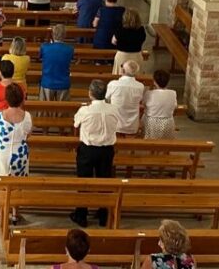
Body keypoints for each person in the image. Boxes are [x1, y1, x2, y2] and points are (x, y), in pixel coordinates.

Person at [71, 80, 121, 227]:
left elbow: (75, 124)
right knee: (104, 181)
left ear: (90, 94)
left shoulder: (85, 110)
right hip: (106, 149)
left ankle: (81, 215)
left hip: (88, 149)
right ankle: (103, 213)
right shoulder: (113, 109)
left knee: (84, 182)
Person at [0, 83, 33, 222]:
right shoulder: (27, 116)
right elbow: (28, 134)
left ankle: (0, 211)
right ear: (22, 98)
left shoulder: (0, 115)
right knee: (17, 184)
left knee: (0, 182)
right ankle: (15, 212)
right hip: (20, 155)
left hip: (1, 153)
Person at [107, 60, 146, 136]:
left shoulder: (113, 84)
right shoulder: (140, 86)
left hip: (115, 124)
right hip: (132, 125)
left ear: (123, 71)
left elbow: (106, 99)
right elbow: (140, 100)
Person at [39, 23, 74, 100]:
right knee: (62, 110)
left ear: (53, 35)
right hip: (63, 82)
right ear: (64, 35)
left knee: (45, 109)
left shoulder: (44, 47)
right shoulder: (70, 49)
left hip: (47, 82)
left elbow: (40, 57)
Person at [0, 60, 27, 127]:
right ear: (13, 72)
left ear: (0, 72)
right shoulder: (19, 87)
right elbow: (22, 103)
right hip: (14, 120)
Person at [143, 69, 178, 139]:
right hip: (167, 122)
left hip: (151, 123)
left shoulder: (149, 93)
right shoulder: (173, 93)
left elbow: (144, 105)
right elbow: (175, 106)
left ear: (155, 82)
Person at [112, 8, 147, 74]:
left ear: (124, 18)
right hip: (136, 56)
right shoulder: (141, 30)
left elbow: (113, 41)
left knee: (119, 77)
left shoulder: (120, 29)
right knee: (136, 77)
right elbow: (143, 40)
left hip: (122, 56)